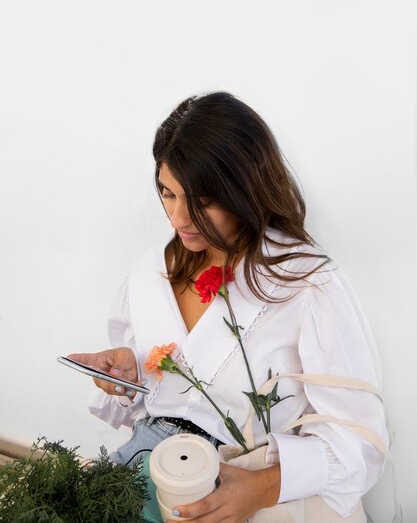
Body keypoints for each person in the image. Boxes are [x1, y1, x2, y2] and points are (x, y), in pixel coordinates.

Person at [69, 92, 388, 523]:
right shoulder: (148, 275)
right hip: (158, 479)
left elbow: (361, 441)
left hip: (258, 496)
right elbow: (159, 410)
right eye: (168, 193)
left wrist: (261, 488)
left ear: (245, 187)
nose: (179, 218)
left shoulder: (306, 284)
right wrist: (132, 374)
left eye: (201, 202)